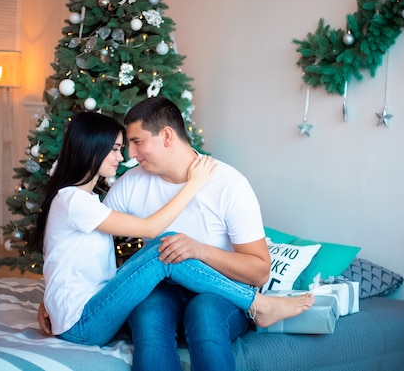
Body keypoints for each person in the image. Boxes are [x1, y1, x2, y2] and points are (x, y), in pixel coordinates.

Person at [35, 111, 313, 348]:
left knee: (169, 248)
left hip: (84, 314)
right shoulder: (73, 201)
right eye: (116, 148)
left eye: (128, 145)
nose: (123, 157)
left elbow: (61, 260)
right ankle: (259, 305)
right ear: (91, 149)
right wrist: (194, 184)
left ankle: (257, 304)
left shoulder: (83, 202)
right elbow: (151, 228)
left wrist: (53, 300)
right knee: (167, 244)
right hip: (84, 322)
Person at [105, 96, 274, 371]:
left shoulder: (230, 185)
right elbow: (91, 240)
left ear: (167, 136)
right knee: (148, 315)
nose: (130, 154)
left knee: (205, 313)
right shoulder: (130, 185)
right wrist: (61, 296)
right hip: (163, 292)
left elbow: (259, 271)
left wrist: (200, 251)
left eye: (137, 142)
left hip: (218, 294)